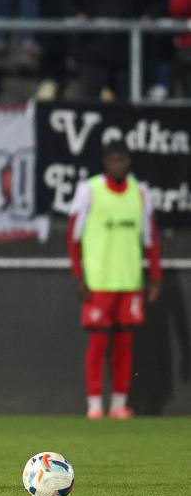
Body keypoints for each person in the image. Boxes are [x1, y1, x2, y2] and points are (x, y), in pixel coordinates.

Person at [67, 141, 162, 420]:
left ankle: (119, 404)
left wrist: (155, 275)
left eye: (122, 160)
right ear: (106, 162)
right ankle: (94, 404)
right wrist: (79, 276)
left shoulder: (140, 192)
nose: (118, 164)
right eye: (113, 160)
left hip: (129, 280)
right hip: (98, 281)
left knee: (124, 343)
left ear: (128, 162)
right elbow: (74, 235)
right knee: (97, 343)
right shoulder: (89, 190)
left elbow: (151, 238)